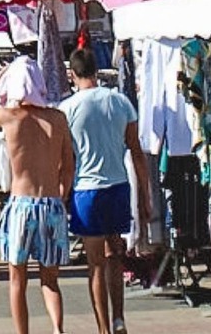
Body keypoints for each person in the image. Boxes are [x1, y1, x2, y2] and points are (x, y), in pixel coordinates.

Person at [0, 60, 75, 334]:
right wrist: (62, 193)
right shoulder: (57, 118)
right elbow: (68, 165)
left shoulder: (9, 116)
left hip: (21, 204)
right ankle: (58, 329)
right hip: (50, 203)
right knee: (50, 279)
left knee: (17, 279)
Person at [60, 48, 151, 334]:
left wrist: (63, 194)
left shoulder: (68, 109)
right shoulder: (120, 102)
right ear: (97, 71)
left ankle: (103, 328)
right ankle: (119, 318)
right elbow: (136, 152)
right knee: (115, 255)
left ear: (72, 75)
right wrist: (145, 197)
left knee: (95, 264)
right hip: (118, 186)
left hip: (86, 189)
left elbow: (67, 160)